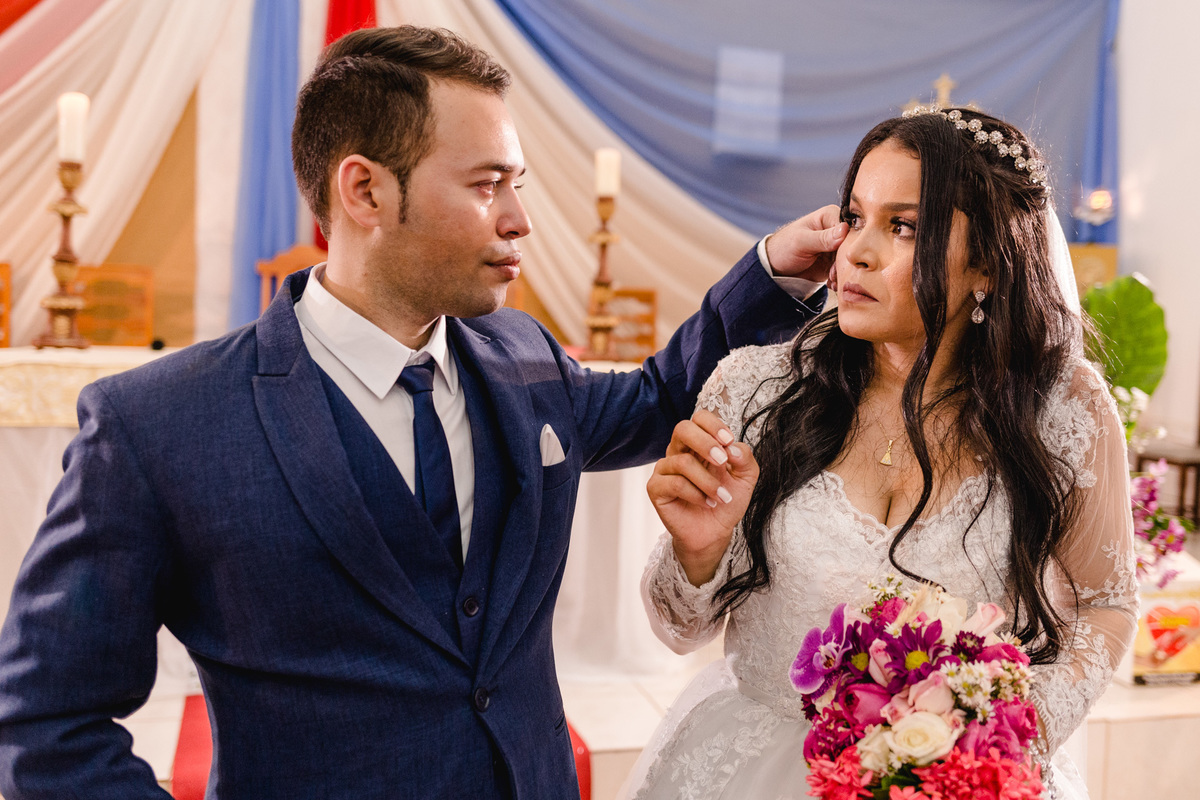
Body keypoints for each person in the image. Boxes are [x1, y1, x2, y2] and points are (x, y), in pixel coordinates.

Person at [0, 25, 845, 800]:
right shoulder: (157, 426)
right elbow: (48, 723)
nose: (520, 220)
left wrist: (773, 269)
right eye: (487, 185)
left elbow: (659, 396)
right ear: (364, 190)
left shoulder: (527, 361)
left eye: (517, 184)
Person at [623, 108, 1137, 800]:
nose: (856, 253)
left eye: (903, 227)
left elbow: (1106, 604)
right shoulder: (756, 388)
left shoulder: (1064, 410)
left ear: (985, 261)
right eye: (854, 217)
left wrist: (999, 741)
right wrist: (699, 556)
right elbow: (678, 627)